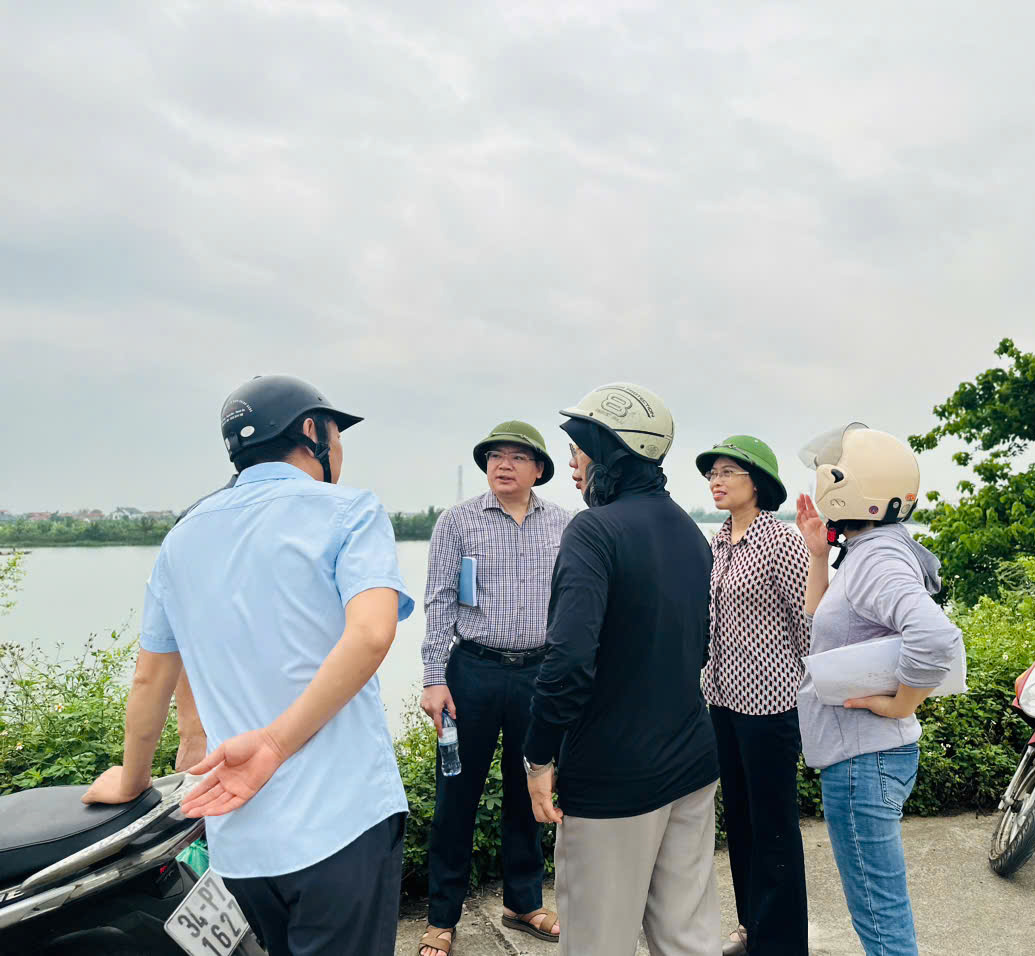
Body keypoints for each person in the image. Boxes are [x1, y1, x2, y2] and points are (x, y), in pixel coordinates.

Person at [83, 374, 415, 956]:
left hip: (241, 840)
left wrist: (133, 777)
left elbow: (150, 677)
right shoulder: (350, 512)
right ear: (312, 432)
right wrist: (276, 744)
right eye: (337, 434)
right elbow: (371, 633)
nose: (340, 449)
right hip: (343, 821)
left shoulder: (182, 538)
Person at [523, 383, 720, 956]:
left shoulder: (593, 531)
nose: (572, 463)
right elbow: (698, 648)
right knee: (688, 940)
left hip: (612, 777)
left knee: (597, 943)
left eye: (579, 449)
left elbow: (567, 663)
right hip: (691, 761)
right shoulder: (691, 533)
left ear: (611, 452)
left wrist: (539, 757)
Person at [794, 424, 964, 956]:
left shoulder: (875, 559)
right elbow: (823, 625)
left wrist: (902, 702)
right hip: (867, 758)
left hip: (862, 763)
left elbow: (935, 636)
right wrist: (818, 555)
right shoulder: (872, 549)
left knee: (879, 918)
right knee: (879, 910)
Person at [418, 421, 571, 956]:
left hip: (538, 673)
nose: (503, 465)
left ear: (539, 469)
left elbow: (573, 601)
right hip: (473, 672)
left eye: (517, 457)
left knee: (530, 789)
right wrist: (434, 677)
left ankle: (523, 902)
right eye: (494, 456)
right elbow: (440, 598)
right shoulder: (458, 521)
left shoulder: (564, 524)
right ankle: (441, 917)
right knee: (455, 794)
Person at [697, 435, 810, 956]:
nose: (716, 481)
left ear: (757, 482)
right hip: (722, 700)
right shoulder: (717, 540)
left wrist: (812, 689)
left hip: (770, 705)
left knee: (774, 828)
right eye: (712, 474)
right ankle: (753, 928)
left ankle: (782, 945)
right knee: (740, 820)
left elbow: (807, 621)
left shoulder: (781, 540)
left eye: (727, 472)